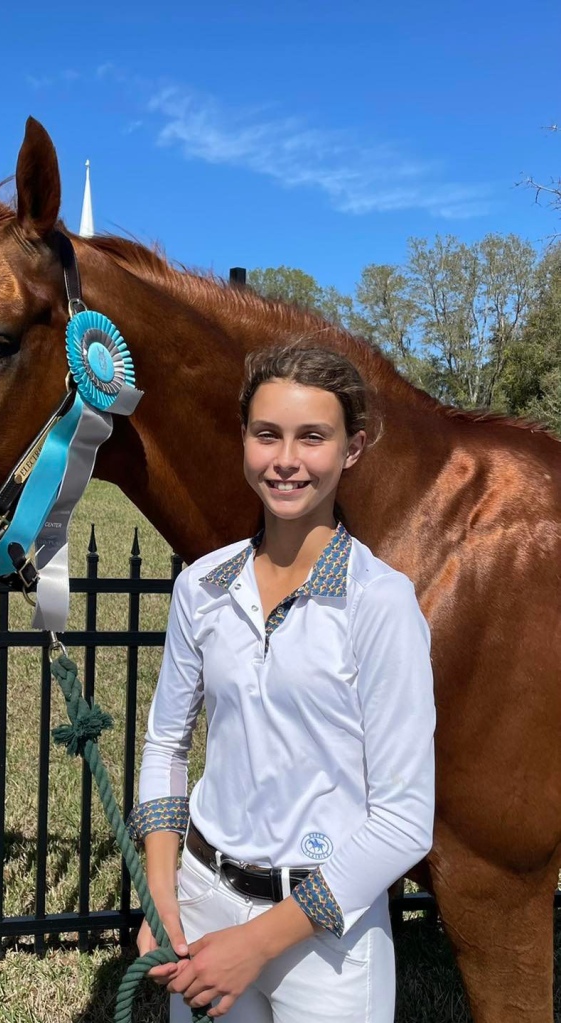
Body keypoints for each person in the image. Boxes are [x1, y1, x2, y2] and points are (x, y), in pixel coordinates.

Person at [128, 345, 436, 1022]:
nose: (285, 459)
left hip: (325, 933)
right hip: (204, 899)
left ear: (352, 449)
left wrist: (255, 944)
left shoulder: (379, 602)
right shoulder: (200, 587)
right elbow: (165, 745)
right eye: (266, 433)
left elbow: (403, 822)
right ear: (242, 439)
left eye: (312, 437)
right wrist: (162, 891)